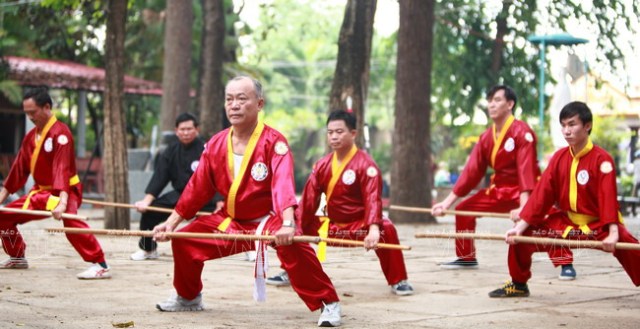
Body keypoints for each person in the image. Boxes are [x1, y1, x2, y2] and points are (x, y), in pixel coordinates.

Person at [152, 76, 342, 327]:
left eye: (242, 99)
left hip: (269, 220)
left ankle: (328, 303)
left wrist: (287, 223)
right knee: (185, 240)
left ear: (259, 103)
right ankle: (188, 298)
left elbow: (282, 185)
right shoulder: (216, 144)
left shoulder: (275, 143)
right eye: (229, 99)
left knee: (295, 246)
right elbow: (196, 189)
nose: (234, 105)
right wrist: (171, 223)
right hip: (230, 220)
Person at [489, 101, 640, 297]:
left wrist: (612, 233)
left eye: (572, 124)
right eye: (563, 125)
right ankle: (518, 284)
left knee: (630, 247)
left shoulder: (602, 160)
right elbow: (541, 196)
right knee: (521, 238)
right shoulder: (559, 158)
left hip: (598, 227)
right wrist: (518, 228)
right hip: (565, 225)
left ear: (587, 126)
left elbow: (608, 198)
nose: (566, 131)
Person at [432, 85, 576, 280]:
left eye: (497, 100)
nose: (492, 104)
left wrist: (525, 208)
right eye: (490, 100)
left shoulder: (522, 132)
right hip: (499, 190)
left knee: (546, 218)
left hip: (525, 192)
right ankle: (466, 256)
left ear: (510, 104)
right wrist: (447, 203)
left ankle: (565, 262)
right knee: (464, 209)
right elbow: (471, 173)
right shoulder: (485, 138)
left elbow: (526, 171)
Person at [266, 110, 414, 296]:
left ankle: (399, 280)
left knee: (387, 228)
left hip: (360, 228)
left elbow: (372, 200)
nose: (334, 136)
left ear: (353, 134)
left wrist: (374, 230)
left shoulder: (367, 166)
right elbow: (309, 201)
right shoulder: (322, 165)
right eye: (330, 132)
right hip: (331, 226)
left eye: (339, 132)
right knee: (292, 222)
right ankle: (291, 269)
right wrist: (295, 224)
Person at [0, 87, 110, 279]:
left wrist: (63, 202)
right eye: (27, 114)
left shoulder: (61, 133)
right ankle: (17, 257)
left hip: (67, 190)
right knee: (4, 217)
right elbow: (18, 169)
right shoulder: (31, 137)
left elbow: (62, 169)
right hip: (41, 193)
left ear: (47, 107)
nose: (30, 117)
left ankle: (100, 264)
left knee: (71, 223)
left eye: (33, 113)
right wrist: (1, 198)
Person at [130, 112, 220, 261]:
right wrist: (147, 201)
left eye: (189, 129)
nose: (185, 133)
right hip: (180, 195)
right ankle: (148, 249)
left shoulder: (207, 149)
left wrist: (219, 201)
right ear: (176, 131)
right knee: (150, 212)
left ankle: (248, 247)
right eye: (182, 129)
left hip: (204, 197)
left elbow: (216, 176)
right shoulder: (170, 151)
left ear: (196, 129)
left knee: (229, 217)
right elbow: (160, 177)